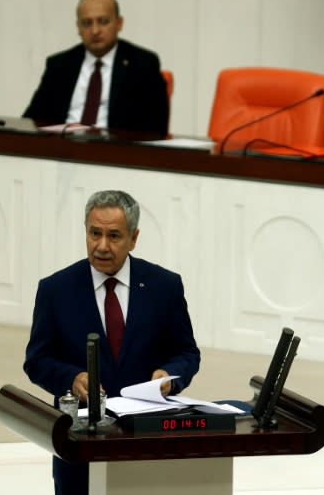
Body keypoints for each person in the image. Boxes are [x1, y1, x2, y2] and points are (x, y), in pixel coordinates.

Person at [24, 189, 200, 495]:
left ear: (134, 238)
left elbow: (186, 352)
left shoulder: (164, 287)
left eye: (114, 236)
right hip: (80, 444)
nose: (102, 246)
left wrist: (170, 376)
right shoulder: (55, 290)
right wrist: (71, 378)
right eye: (94, 234)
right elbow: (37, 361)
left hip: (145, 438)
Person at [23, 0, 169, 137]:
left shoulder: (142, 64)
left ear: (119, 23)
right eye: (87, 23)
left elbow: (156, 126)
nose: (95, 30)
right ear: (78, 28)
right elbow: (31, 120)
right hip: (62, 147)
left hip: (115, 151)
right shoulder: (60, 65)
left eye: (103, 21)